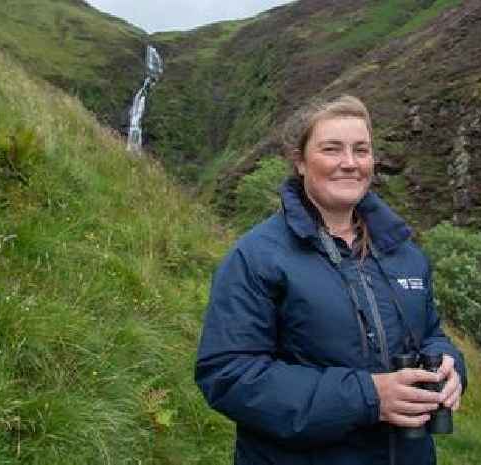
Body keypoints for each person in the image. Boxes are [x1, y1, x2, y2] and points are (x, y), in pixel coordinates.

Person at [195, 95, 466, 465]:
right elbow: (229, 375)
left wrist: (451, 367)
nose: (350, 163)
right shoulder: (257, 257)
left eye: (361, 150)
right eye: (331, 149)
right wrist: (369, 397)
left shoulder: (404, 253)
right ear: (300, 161)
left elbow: (432, 333)